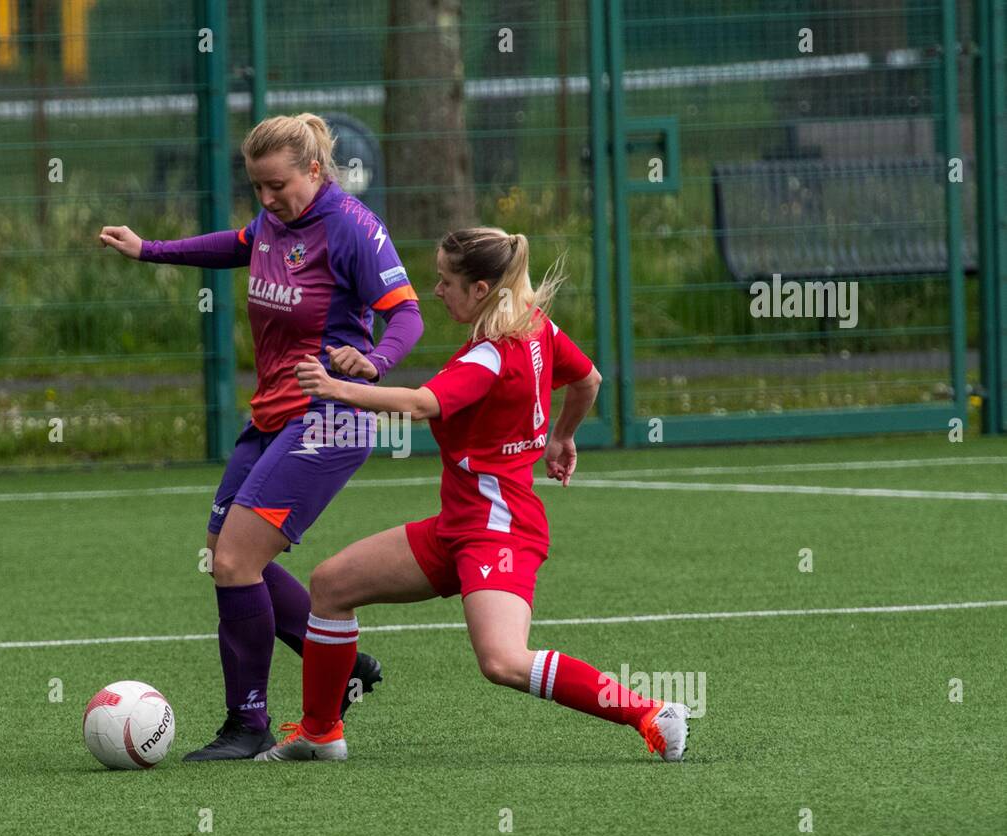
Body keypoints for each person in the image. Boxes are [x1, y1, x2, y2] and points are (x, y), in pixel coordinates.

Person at [255, 227, 691, 762]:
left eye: (445, 281)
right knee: (330, 585)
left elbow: (419, 405)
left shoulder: (489, 356)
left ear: (480, 289)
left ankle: (650, 713)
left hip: (497, 529)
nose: (437, 291)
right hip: (459, 524)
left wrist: (338, 389)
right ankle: (321, 733)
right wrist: (562, 437)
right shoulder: (538, 329)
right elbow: (590, 380)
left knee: (503, 661)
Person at [99, 113, 423, 760]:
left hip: (331, 414)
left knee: (234, 562)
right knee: (224, 545)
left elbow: (406, 314)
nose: (267, 200)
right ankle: (343, 662)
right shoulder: (275, 219)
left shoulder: (354, 228)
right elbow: (238, 243)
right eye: (258, 187)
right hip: (275, 410)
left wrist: (374, 362)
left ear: (314, 169)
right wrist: (151, 250)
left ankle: (248, 725)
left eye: (277, 185)